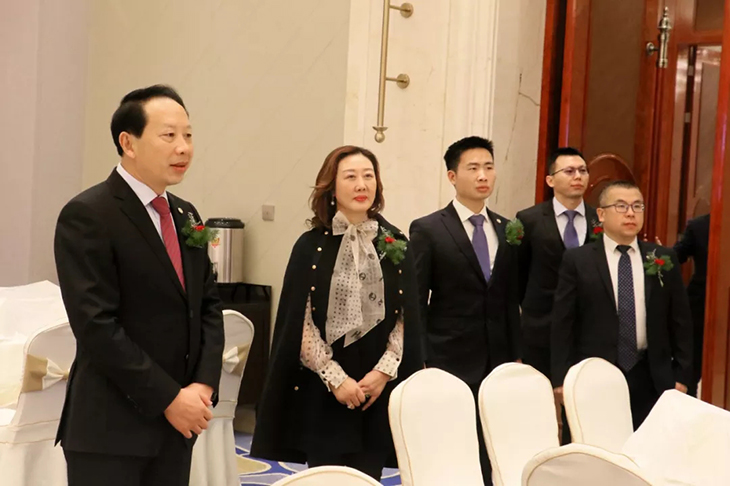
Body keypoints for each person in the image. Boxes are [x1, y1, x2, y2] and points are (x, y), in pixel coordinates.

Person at [54, 85, 224, 486]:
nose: (183, 147)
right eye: (169, 135)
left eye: (188, 135)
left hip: (176, 430)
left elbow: (208, 305)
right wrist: (169, 398)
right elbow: (97, 326)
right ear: (128, 143)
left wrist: (202, 384)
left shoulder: (185, 214)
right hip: (112, 431)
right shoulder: (88, 214)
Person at [250, 146, 423, 480]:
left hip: (377, 388)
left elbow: (407, 315)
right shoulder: (309, 246)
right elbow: (298, 322)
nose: (361, 184)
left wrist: (384, 371)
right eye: (351, 176)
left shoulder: (395, 242)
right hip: (324, 388)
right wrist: (335, 378)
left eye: (368, 176)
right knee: (326, 478)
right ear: (331, 187)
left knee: (368, 478)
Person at [409, 136, 521, 484]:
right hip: (447, 356)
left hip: (497, 359)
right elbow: (416, 299)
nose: (482, 175)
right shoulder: (429, 228)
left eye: (488, 167)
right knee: (451, 446)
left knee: (493, 448)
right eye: (473, 168)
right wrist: (420, 357)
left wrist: (516, 354)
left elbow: (509, 297)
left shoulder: (507, 228)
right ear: (452, 176)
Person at [551, 180, 693, 429]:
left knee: (649, 444)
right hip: (594, 375)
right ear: (601, 214)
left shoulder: (661, 258)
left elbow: (681, 321)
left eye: (637, 206)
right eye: (621, 206)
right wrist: (561, 378)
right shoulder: (578, 260)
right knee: (595, 444)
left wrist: (682, 375)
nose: (630, 213)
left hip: (651, 375)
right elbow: (563, 322)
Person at [516, 147, 597, 380]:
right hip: (541, 330)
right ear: (550, 180)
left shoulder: (600, 219)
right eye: (569, 171)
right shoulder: (529, 220)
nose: (578, 176)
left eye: (583, 171)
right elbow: (517, 276)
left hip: (588, 331)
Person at [673, 213, 710, 397]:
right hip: (699, 305)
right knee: (693, 362)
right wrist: (658, 255)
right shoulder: (699, 226)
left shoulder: (698, 225)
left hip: (701, 302)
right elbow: (676, 256)